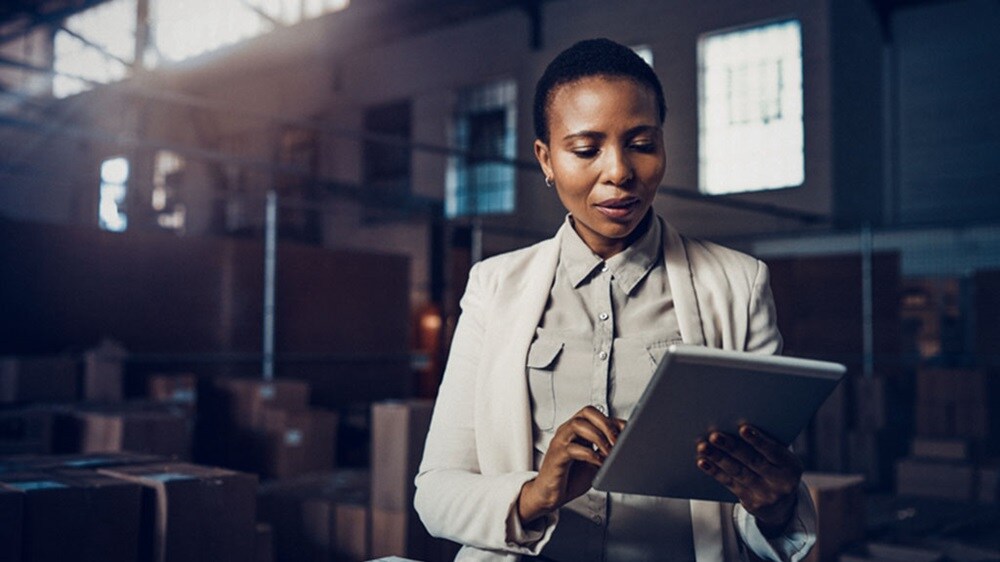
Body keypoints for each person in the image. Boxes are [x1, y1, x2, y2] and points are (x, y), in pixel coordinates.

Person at [414, 38, 817, 561]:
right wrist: (537, 494)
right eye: (586, 150)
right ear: (546, 159)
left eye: (642, 143)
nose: (619, 171)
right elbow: (436, 491)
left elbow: (759, 500)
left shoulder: (738, 286)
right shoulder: (494, 287)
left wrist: (777, 506)